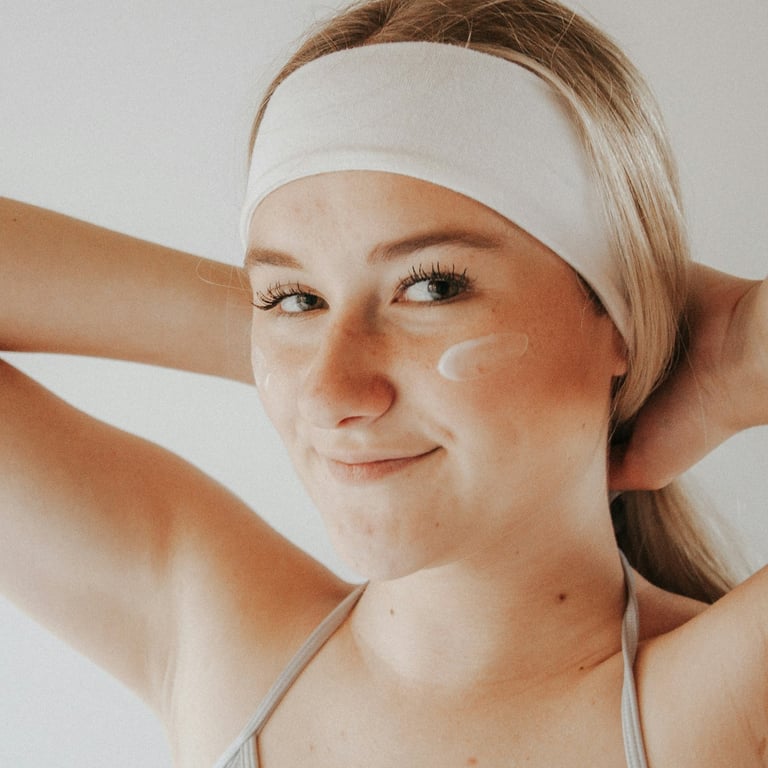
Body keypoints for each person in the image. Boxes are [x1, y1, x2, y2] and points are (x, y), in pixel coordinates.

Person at [1, 0, 766, 766]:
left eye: (433, 288)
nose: (331, 394)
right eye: (291, 297)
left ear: (616, 318)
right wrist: (295, 346)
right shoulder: (212, 644)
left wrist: (737, 343)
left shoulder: (727, 705)